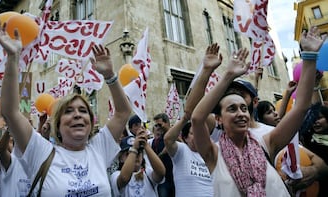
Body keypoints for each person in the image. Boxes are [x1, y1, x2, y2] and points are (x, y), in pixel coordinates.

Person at [0, 20, 131, 196]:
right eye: (68, 111)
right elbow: (10, 113)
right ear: (57, 125)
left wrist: (110, 75)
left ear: (91, 122)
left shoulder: (98, 149)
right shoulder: (41, 151)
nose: (77, 115)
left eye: (83, 111)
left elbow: (123, 112)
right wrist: (13, 58)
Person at [191, 27, 325, 196]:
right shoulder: (213, 153)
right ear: (219, 119)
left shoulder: (265, 142)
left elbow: (300, 108)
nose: (240, 113)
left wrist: (310, 56)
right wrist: (228, 75)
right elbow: (196, 118)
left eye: (244, 108)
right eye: (232, 109)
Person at [164, 43, 223, 197]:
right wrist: (206, 71)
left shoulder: (213, 151)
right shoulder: (181, 152)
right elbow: (168, 139)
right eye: (192, 133)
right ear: (184, 138)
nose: (196, 135)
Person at [110, 130, 165, 196]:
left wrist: (146, 145)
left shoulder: (147, 172)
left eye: (139, 152)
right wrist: (134, 149)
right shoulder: (115, 175)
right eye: (128, 154)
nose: (135, 155)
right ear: (121, 158)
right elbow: (124, 178)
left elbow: (161, 173)